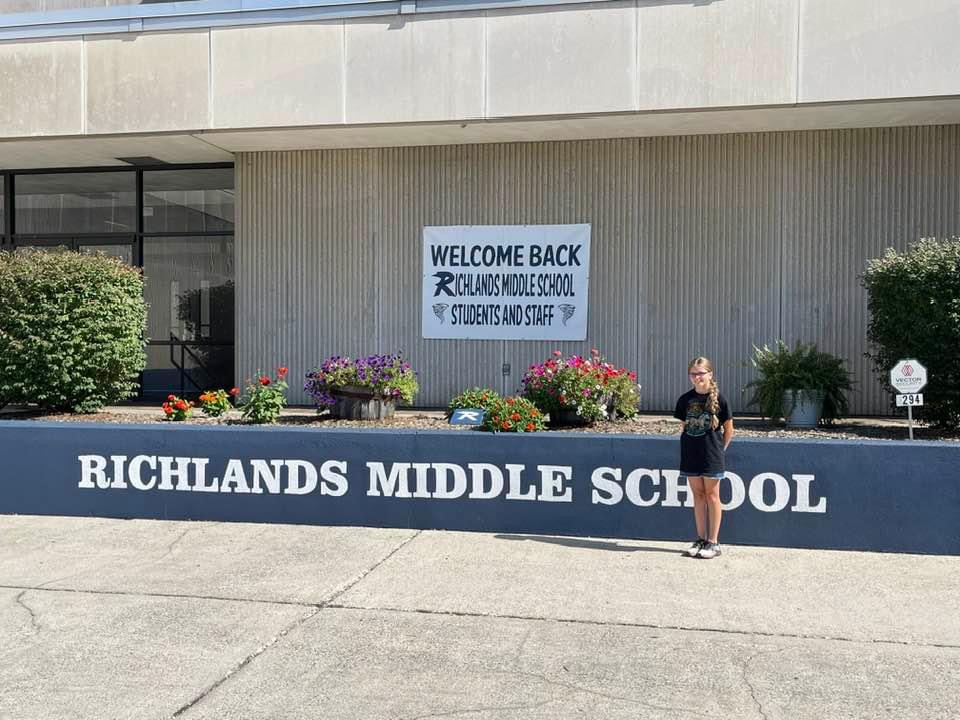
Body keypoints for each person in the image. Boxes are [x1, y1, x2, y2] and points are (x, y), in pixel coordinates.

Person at [673, 356, 734, 559]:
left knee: (712, 496)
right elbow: (683, 427)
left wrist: (719, 450)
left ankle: (713, 542)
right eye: (693, 374)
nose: (697, 377)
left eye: (701, 373)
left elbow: (729, 430)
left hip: (712, 456)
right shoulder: (685, 400)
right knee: (698, 496)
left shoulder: (720, 399)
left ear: (710, 374)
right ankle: (700, 539)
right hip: (691, 455)